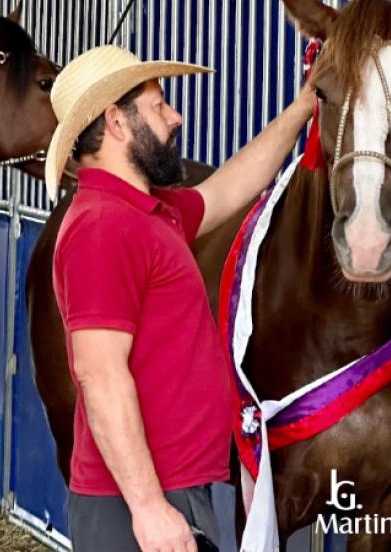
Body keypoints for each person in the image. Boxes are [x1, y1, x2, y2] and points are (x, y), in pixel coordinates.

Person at [44, 45, 315, 552]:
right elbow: (100, 375)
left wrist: (303, 107)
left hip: (170, 487)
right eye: (159, 104)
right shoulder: (103, 227)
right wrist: (148, 508)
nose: (177, 117)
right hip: (139, 498)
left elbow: (229, 189)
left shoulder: (148, 212)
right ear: (117, 122)